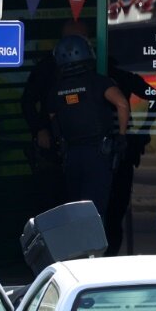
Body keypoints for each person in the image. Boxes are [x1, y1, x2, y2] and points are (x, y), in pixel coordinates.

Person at [48, 34, 130, 220]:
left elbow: (52, 119)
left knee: (76, 208)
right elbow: (122, 104)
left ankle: (81, 247)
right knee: (96, 209)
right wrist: (122, 135)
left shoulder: (55, 90)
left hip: (71, 156)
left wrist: (59, 142)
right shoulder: (99, 82)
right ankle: (95, 247)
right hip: (98, 154)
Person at [21, 20, 90, 213]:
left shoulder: (96, 65)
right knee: (52, 198)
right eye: (71, 39)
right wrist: (39, 130)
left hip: (86, 145)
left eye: (82, 39)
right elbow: (27, 101)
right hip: (53, 145)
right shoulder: (47, 67)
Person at [105, 60, 156, 255]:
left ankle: (112, 254)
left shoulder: (122, 77)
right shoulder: (95, 80)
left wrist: (142, 131)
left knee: (116, 209)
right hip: (99, 150)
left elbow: (155, 97)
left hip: (121, 148)